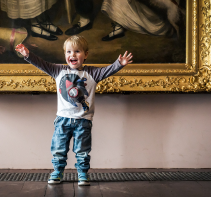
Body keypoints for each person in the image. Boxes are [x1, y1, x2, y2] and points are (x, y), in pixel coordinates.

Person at [15, 35, 133, 186]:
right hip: (63, 119)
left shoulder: (92, 74)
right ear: (65, 55)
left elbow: (107, 70)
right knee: (59, 148)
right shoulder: (58, 70)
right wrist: (28, 55)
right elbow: (41, 64)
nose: (73, 55)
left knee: (82, 150)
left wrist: (119, 64)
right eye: (69, 52)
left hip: (83, 120)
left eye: (77, 51)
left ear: (85, 55)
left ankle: (82, 174)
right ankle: (58, 172)